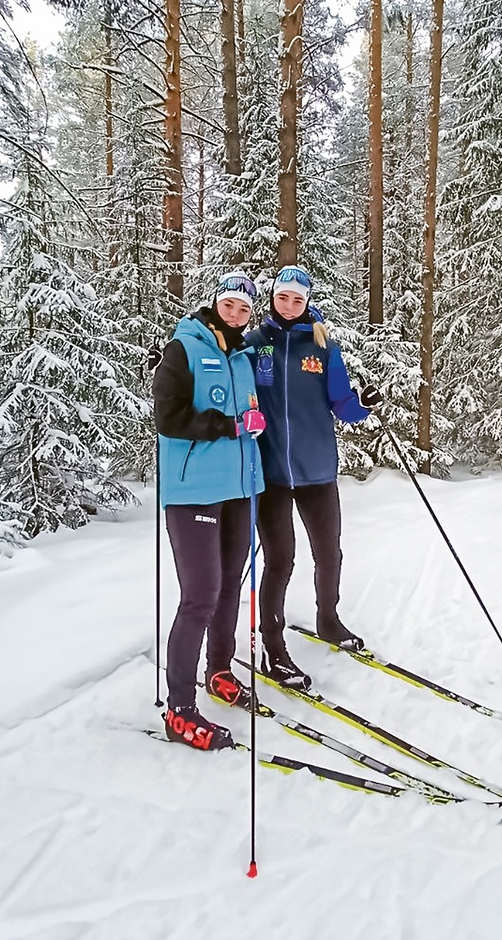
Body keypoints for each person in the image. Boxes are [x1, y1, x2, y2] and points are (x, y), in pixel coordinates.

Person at [246, 265, 381, 689]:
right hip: (270, 473)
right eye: (282, 297)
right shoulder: (253, 345)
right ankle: (272, 645)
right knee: (280, 560)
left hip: (317, 469)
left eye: (297, 299)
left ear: (306, 302)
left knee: (329, 552)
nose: (289, 305)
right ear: (272, 298)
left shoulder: (323, 347)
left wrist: (364, 404)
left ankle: (328, 619)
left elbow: (342, 405)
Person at [153, 272, 266, 751]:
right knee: (199, 595)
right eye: (229, 305)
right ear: (215, 303)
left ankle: (218, 670)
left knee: (227, 588)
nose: (236, 315)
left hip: (240, 488)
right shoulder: (184, 347)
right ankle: (179, 710)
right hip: (194, 490)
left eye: (244, 309)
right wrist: (231, 425)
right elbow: (169, 417)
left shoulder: (243, 356)